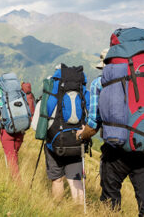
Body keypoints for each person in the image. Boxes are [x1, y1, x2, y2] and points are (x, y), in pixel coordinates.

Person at [77, 48, 144, 217]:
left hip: (116, 151)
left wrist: (81, 135)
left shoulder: (98, 84)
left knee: (110, 201)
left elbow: (94, 124)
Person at [44, 64, 88, 204]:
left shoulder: (54, 90)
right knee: (75, 179)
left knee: (57, 180)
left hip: (55, 143)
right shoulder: (82, 89)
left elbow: (44, 115)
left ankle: (59, 209)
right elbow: (90, 114)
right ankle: (80, 213)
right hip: (77, 140)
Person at [0, 81, 35, 179]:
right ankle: (14, 176)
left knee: (11, 158)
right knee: (14, 155)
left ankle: (17, 185)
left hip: (7, 132)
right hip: (20, 130)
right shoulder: (20, 95)